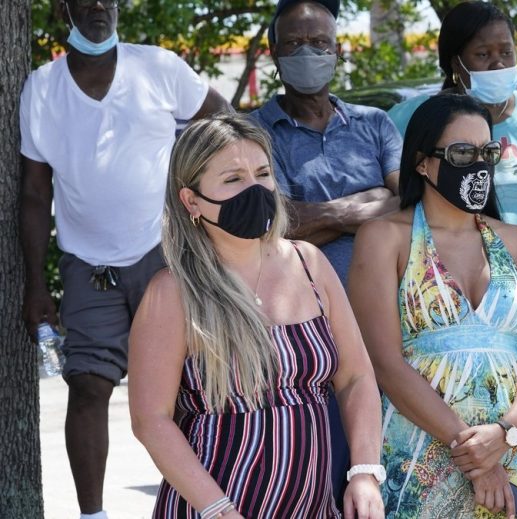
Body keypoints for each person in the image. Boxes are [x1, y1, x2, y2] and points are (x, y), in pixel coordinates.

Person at [18, 1, 228, 516]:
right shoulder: (42, 87)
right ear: (64, 6)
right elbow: (33, 191)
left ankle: (206, 503)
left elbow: (222, 120)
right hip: (89, 266)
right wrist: (35, 285)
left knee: (193, 389)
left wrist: (202, 197)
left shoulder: (157, 66)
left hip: (168, 257)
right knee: (87, 386)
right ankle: (93, 514)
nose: (98, 6)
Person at [387, 4, 517, 506]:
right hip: (438, 299)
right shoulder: (414, 118)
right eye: (483, 54)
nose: (497, 62)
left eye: (505, 51)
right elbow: (395, 195)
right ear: (454, 61)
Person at [128, 114, 385, 518]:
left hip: (312, 507)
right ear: (191, 200)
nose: (255, 189)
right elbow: (151, 420)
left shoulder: (309, 264)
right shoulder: (172, 293)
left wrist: (365, 472)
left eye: (263, 173)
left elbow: (355, 377)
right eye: (232, 179)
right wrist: (219, 510)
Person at [348, 94, 517, 518]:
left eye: (487, 152)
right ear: (423, 162)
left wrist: (506, 433)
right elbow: (384, 363)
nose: (478, 164)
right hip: (421, 455)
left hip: (516, 453)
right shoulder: (384, 238)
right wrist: (474, 454)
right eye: (463, 152)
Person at [248, 0, 404, 502]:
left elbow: (404, 202)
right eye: (294, 43)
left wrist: (324, 215)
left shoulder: (374, 124)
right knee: (324, 460)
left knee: (387, 459)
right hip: (301, 319)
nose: (308, 53)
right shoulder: (254, 131)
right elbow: (278, 224)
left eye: (319, 43)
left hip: (387, 312)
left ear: (338, 52)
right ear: (274, 53)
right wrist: (362, 207)